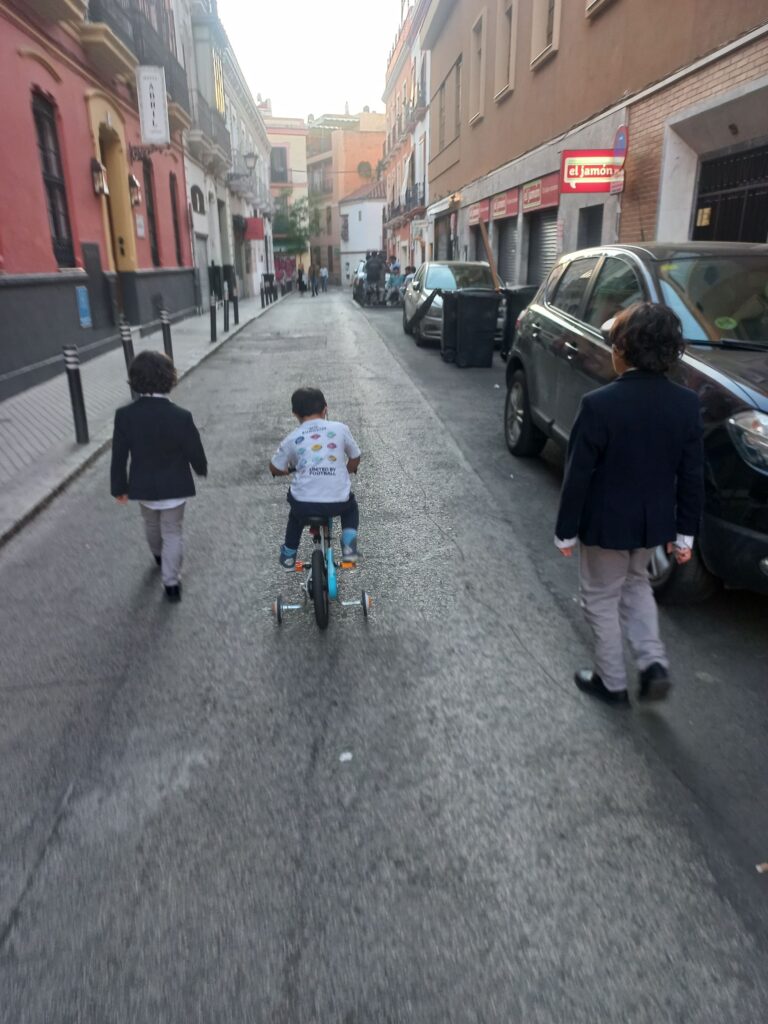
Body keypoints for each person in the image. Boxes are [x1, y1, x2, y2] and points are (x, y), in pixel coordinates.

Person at [554, 302, 704, 704]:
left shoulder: (599, 404)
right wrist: (685, 534)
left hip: (605, 526)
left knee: (601, 598)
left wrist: (565, 531)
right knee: (637, 585)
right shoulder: (686, 405)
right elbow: (692, 476)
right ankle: (653, 663)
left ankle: (612, 682)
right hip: (652, 526)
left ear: (622, 349)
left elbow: (578, 475)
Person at [110, 350, 208, 603]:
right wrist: (200, 468)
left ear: (135, 380)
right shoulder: (180, 416)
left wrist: (119, 487)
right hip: (175, 486)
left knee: (151, 524)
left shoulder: (125, 415)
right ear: (169, 378)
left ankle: (157, 555)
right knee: (172, 531)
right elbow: (193, 449)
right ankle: (171, 583)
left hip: (143, 486)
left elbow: (119, 455)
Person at [269, 387, 361, 570]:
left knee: (295, 515)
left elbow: (275, 467)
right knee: (351, 509)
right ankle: (349, 549)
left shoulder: (292, 438)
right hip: (338, 502)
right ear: (325, 409)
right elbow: (355, 456)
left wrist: (284, 471)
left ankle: (289, 554)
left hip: (304, 505)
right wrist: (348, 469)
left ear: (295, 413)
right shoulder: (340, 429)